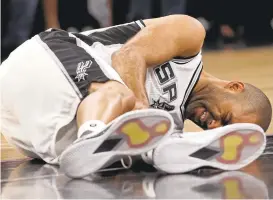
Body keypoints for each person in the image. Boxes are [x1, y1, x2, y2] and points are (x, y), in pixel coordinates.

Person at [0, 15, 271, 178]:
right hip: (41, 62)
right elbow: (128, 56)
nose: (212, 126)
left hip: (30, 131)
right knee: (124, 98)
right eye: (224, 119)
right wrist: (140, 106)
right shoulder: (189, 38)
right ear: (234, 87)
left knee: (143, 142)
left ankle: (155, 151)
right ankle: (92, 133)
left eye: (220, 132)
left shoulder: (167, 122)